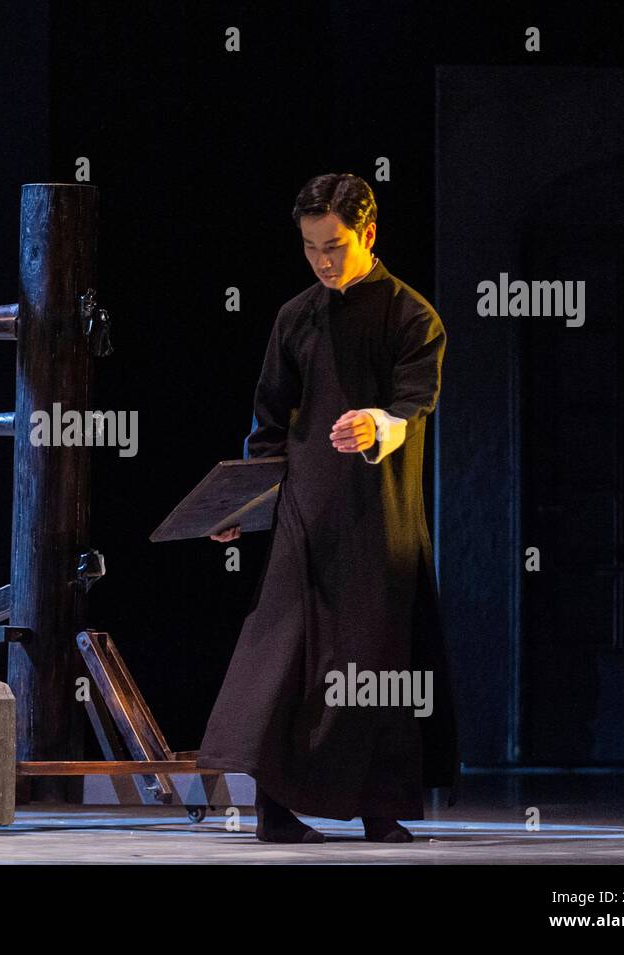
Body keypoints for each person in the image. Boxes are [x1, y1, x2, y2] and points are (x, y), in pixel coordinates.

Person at [196, 173, 460, 844]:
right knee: (283, 657)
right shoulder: (295, 317)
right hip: (302, 514)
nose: (322, 260)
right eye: (311, 246)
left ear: (368, 234)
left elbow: (412, 405)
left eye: (334, 245)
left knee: (375, 661)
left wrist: (375, 424)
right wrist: (243, 504)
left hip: (379, 515)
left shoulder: (412, 316)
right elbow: (267, 421)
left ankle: (379, 807)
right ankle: (275, 811)